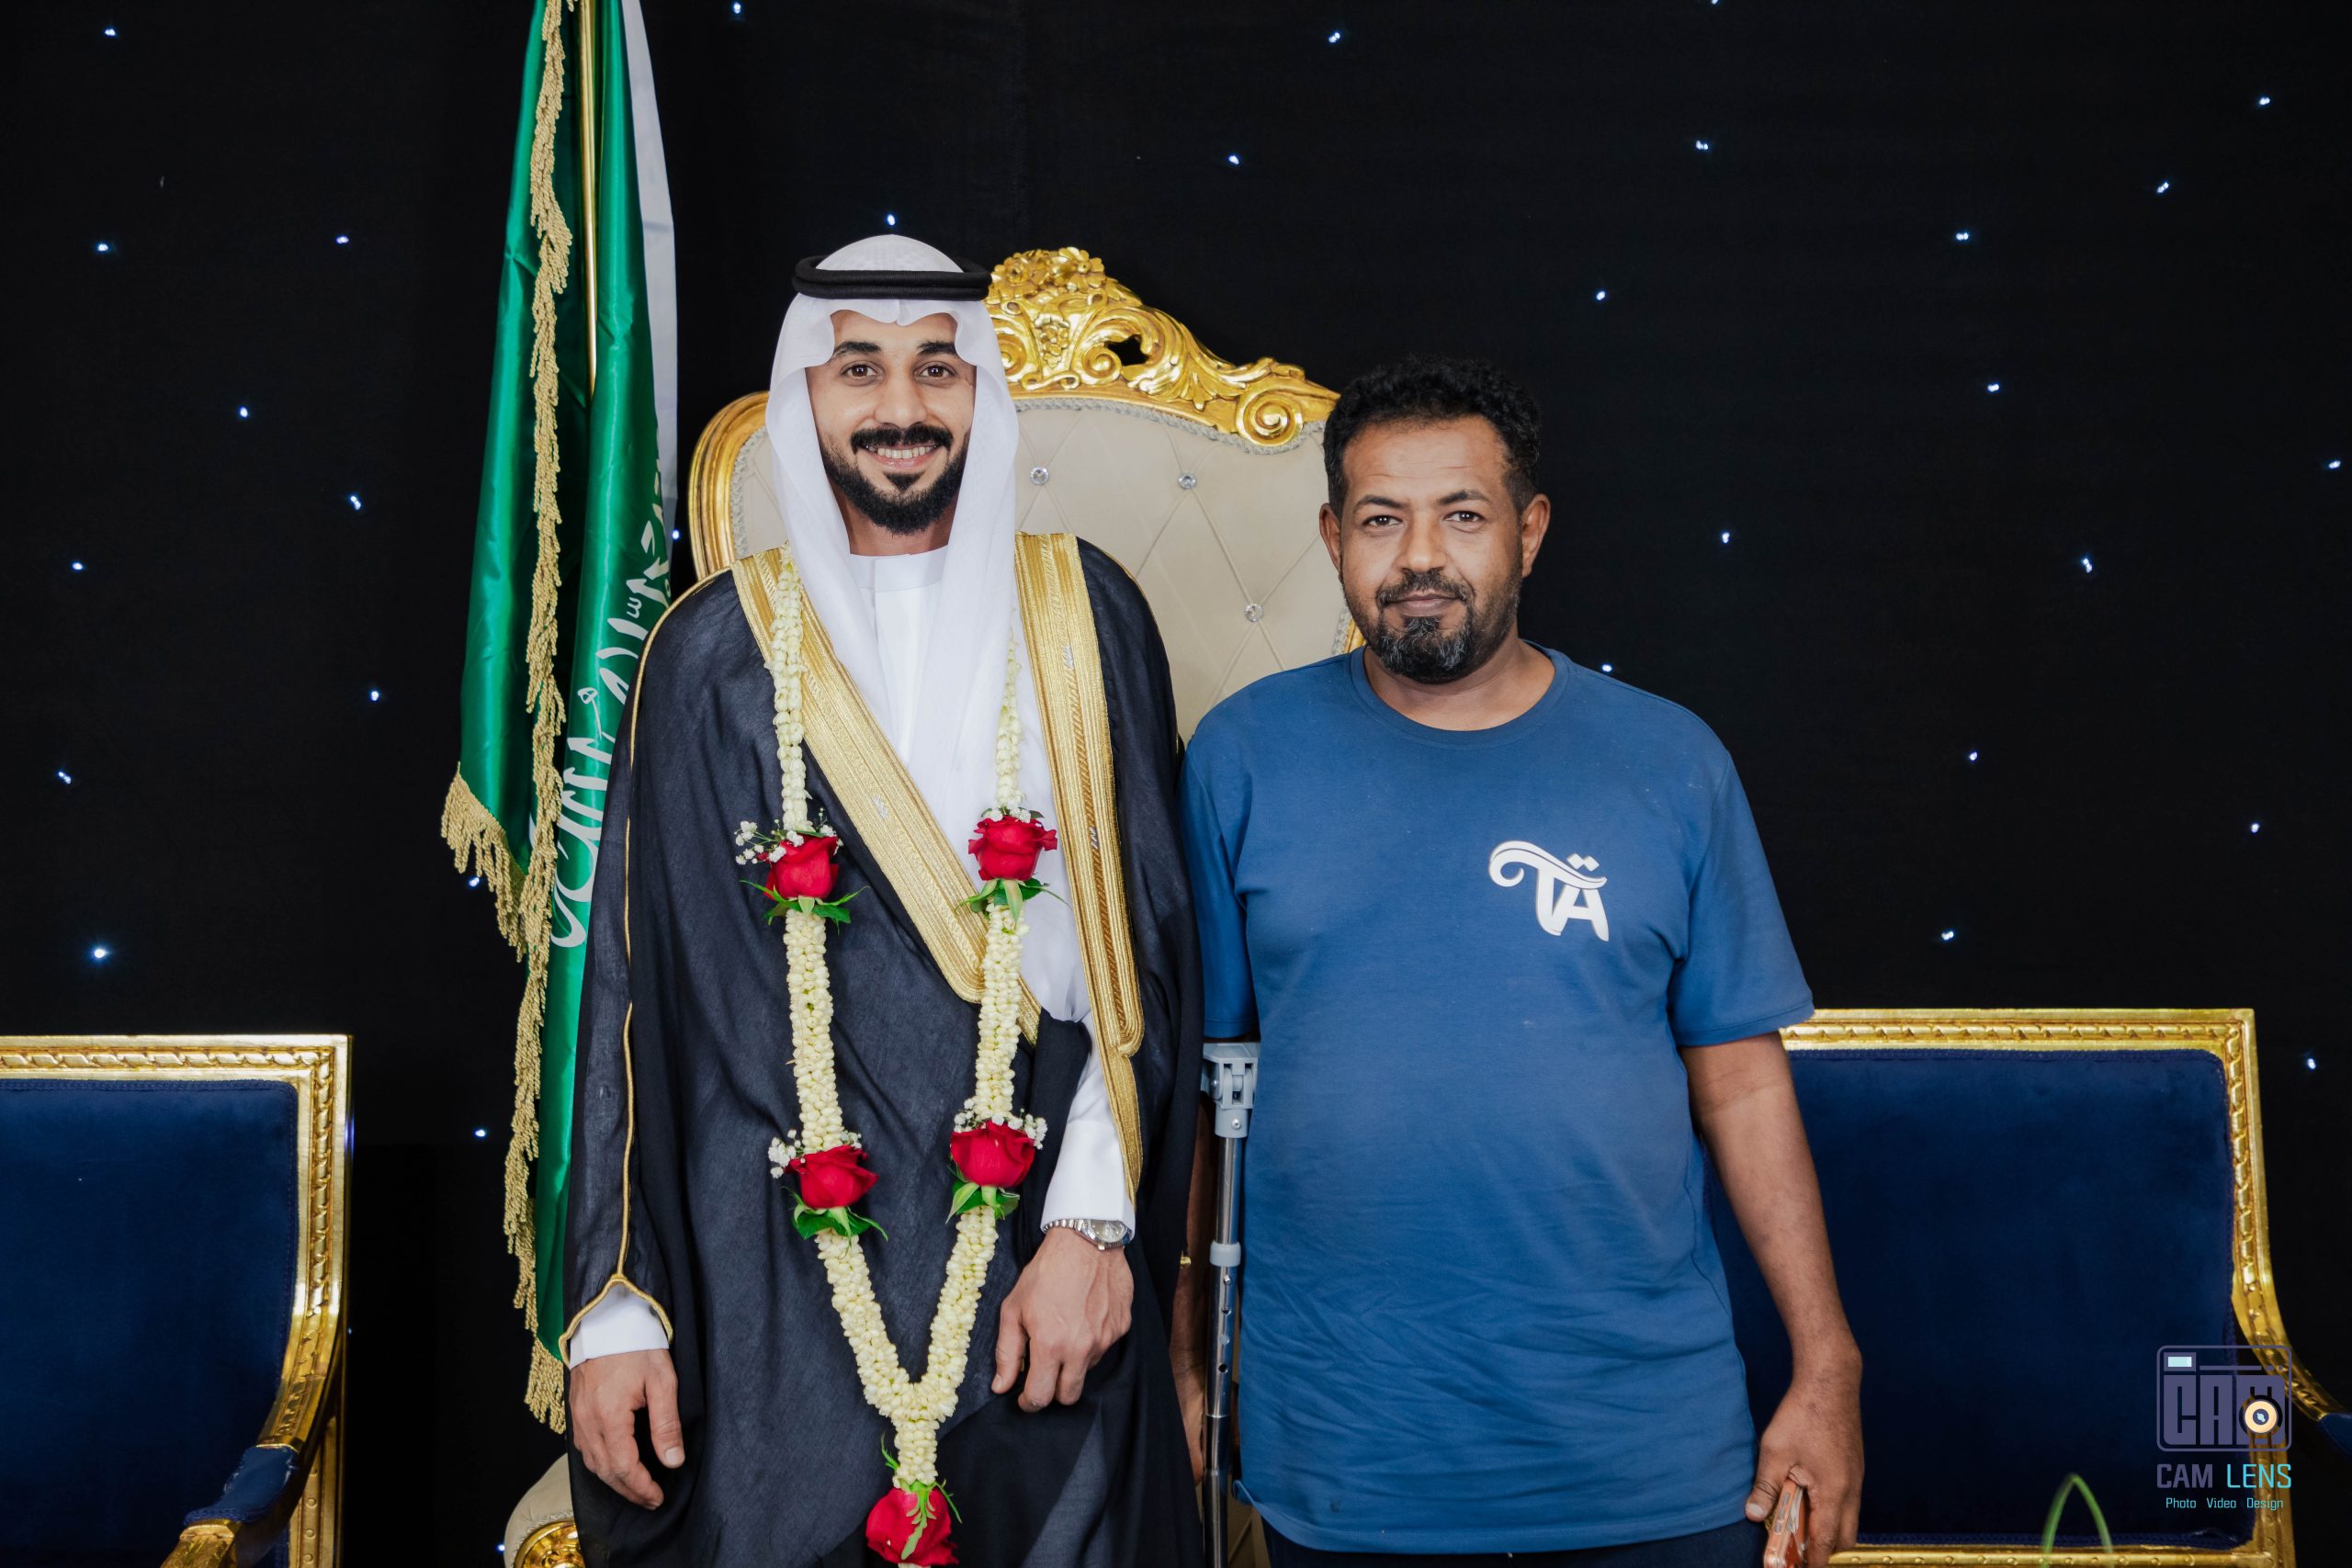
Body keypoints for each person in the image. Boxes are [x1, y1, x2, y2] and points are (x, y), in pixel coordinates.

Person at [561, 235, 1201, 1567]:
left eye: (937, 370)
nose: (901, 407)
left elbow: (1141, 949)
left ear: (984, 395)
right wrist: (617, 1311)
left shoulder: (1082, 615)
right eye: (860, 368)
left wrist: (1093, 1226)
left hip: (1034, 1255)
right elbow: (632, 990)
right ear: (806, 390)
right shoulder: (711, 651)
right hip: (768, 1281)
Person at [1176, 356, 1863, 1568]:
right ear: (1333, 539)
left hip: (1645, 1451)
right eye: (1381, 520)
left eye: (1463, 515)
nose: (1419, 557)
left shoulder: (1669, 764)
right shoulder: (1242, 758)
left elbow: (1745, 1085)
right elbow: (1203, 1092)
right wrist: (1187, 1360)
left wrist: (1827, 1365)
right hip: (1350, 1452)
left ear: (1530, 532)